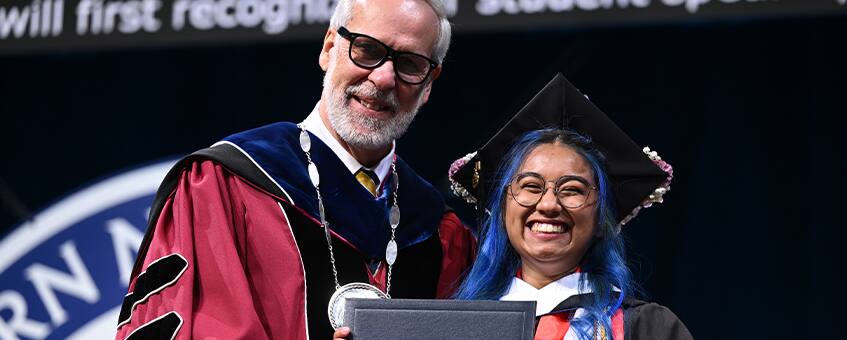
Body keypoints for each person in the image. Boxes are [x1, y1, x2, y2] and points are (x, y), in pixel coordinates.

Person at [114, 0, 476, 339]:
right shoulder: (223, 186)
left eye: (410, 64)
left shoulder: (439, 234)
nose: (383, 78)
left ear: (429, 84)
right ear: (329, 47)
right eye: (367, 49)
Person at [449, 74, 693, 339]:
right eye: (531, 186)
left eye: (572, 190)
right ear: (503, 210)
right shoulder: (460, 327)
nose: (549, 204)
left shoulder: (648, 329)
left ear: (602, 218)